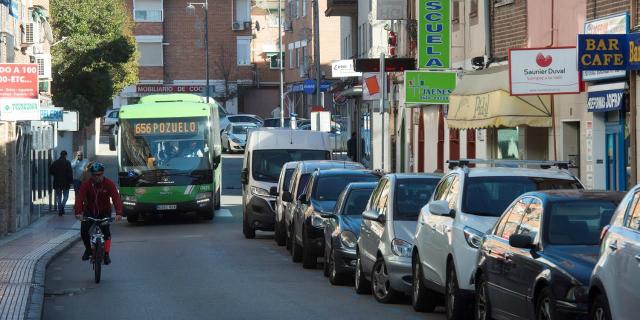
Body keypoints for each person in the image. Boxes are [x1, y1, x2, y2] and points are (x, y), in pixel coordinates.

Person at [74, 162, 123, 265]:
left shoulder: (109, 183)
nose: (97, 177)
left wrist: (118, 212)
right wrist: (78, 212)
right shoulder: (86, 184)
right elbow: (79, 198)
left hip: (105, 212)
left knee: (106, 233)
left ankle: (106, 254)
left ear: (103, 173)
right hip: (89, 212)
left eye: (99, 174)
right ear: (91, 175)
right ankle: (88, 249)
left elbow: (116, 198)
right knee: (84, 231)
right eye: (94, 175)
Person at [49, 150, 73, 216]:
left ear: (60, 155)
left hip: (57, 182)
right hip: (66, 183)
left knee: (59, 197)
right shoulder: (67, 163)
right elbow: (70, 173)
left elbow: (50, 171)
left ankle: (60, 208)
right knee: (66, 196)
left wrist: (55, 174)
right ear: (66, 155)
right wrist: (71, 182)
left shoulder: (55, 162)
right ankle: (62, 207)